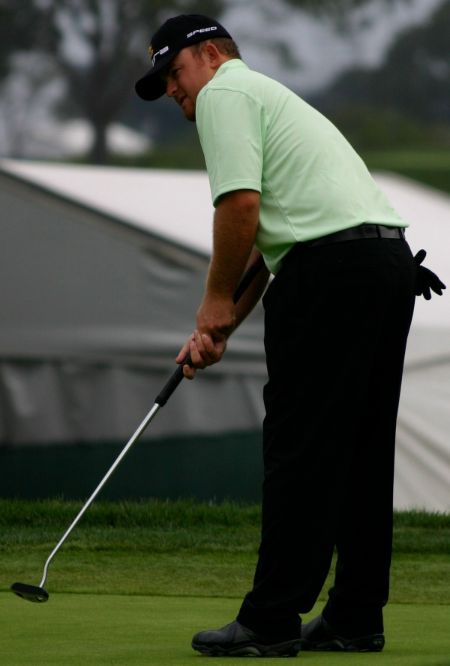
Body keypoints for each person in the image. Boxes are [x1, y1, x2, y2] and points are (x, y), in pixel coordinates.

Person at [135, 14, 445, 658]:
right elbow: (269, 251)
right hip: (385, 267)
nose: (171, 87)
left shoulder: (224, 91)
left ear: (213, 54)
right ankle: (356, 614)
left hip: (332, 274)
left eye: (174, 70)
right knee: (359, 453)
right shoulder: (266, 97)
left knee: (300, 450)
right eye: (163, 79)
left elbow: (240, 208)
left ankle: (272, 617)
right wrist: (217, 327)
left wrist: (213, 302)